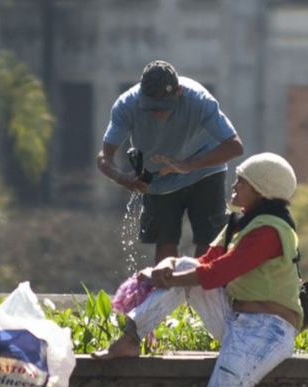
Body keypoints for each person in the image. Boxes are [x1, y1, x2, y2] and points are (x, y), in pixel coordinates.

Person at [92, 152, 302, 387]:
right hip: (237, 321)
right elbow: (204, 262)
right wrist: (171, 265)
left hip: (268, 330)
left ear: (261, 190)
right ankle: (131, 337)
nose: (234, 186)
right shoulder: (241, 222)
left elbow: (219, 274)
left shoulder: (270, 230)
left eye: (242, 181)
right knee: (187, 265)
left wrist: (167, 280)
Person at [97, 60, 244, 264]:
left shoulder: (199, 100)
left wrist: (190, 165)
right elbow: (104, 157)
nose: (158, 114)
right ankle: (167, 293)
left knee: (207, 241)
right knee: (164, 241)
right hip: (159, 177)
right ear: (141, 94)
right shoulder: (127, 105)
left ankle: (200, 294)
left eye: (164, 107)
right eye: (152, 107)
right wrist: (122, 178)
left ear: (179, 91)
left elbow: (235, 146)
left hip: (204, 168)